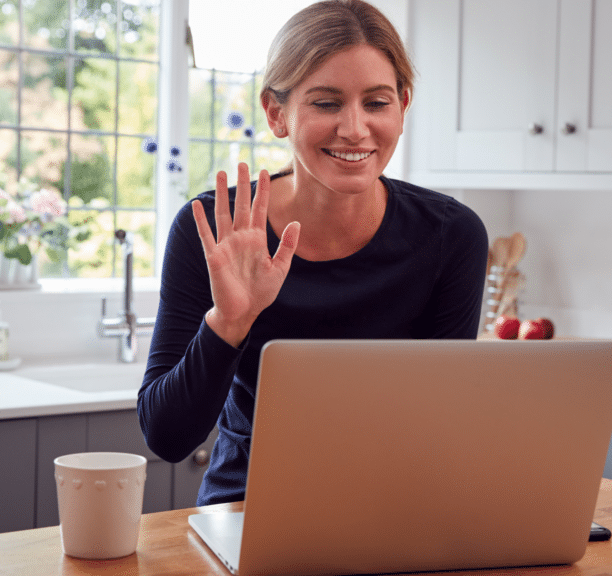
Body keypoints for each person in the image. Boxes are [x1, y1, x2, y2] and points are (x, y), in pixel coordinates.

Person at [138, 0, 489, 506]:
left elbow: (440, 424)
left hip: (399, 506)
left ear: (403, 106)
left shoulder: (451, 235)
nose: (354, 128)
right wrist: (229, 323)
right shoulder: (214, 231)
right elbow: (167, 438)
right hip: (248, 504)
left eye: (376, 102)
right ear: (277, 114)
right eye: (326, 103)